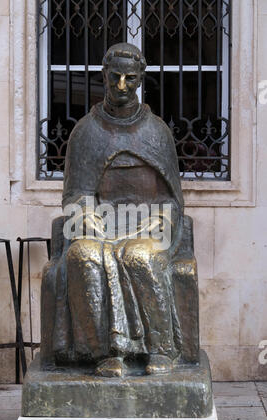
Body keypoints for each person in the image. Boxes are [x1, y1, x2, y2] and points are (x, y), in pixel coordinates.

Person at [53, 43, 185, 377]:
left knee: (139, 257)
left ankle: (161, 348)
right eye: (115, 77)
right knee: (83, 256)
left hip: (149, 225)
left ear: (141, 79)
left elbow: (171, 198)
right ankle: (105, 352)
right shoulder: (86, 132)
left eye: (130, 78)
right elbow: (76, 194)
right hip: (101, 226)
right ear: (104, 76)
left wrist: (160, 218)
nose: (122, 86)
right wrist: (86, 215)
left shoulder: (157, 132)